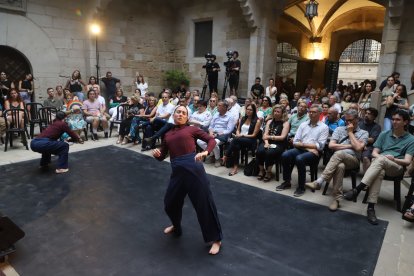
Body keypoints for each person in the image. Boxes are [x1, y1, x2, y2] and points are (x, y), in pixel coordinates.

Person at [152, 105, 222, 255]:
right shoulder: (168, 135)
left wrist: (205, 152)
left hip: (194, 170)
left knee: (204, 204)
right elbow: (162, 156)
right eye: (178, 112)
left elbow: (212, 141)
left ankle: (216, 239)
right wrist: (157, 154)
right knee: (170, 203)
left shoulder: (191, 129)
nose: (181, 114)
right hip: (177, 172)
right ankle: (177, 227)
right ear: (174, 114)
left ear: (187, 117)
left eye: (184, 113)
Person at [344, 109, 414, 224]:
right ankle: (371, 208)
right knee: (379, 170)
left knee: (380, 159)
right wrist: (383, 158)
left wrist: (393, 159)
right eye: (393, 119)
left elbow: (407, 161)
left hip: (397, 166)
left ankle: (358, 189)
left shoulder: (411, 139)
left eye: (398, 120)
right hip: (381, 163)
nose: (394, 122)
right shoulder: (384, 134)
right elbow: (374, 153)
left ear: (405, 122)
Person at [305, 109, 368, 211]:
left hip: (353, 160)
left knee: (339, 153)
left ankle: (320, 181)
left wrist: (350, 133)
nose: (348, 123)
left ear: (357, 119)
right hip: (338, 160)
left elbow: (358, 149)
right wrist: (350, 145)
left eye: (351, 120)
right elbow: (331, 145)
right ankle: (337, 199)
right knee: (340, 166)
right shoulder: (339, 129)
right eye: (346, 120)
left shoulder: (364, 133)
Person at [277, 104, 329, 197]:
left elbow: (320, 146)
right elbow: (295, 142)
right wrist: (309, 147)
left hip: (314, 154)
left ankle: (301, 187)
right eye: (310, 112)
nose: (311, 114)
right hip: (305, 150)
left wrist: (303, 144)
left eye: (314, 112)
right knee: (285, 155)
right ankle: (287, 181)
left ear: (320, 114)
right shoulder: (303, 124)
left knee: (299, 159)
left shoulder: (324, 127)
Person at [222, 103, 261, 176]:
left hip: (251, 140)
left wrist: (242, 135)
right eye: (247, 109)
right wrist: (237, 133)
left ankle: (226, 155)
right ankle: (235, 167)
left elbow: (254, 135)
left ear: (254, 111)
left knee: (235, 140)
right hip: (240, 139)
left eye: (251, 110)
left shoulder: (257, 121)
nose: (248, 111)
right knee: (236, 146)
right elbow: (238, 129)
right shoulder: (243, 118)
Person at [197, 100, 236, 167]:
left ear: (225, 107)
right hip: (213, 133)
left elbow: (229, 130)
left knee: (213, 143)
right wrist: (211, 132)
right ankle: (211, 153)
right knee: (199, 141)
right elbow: (211, 126)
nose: (217, 107)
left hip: (223, 135)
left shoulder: (230, 116)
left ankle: (217, 159)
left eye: (219, 105)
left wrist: (217, 134)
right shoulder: (216, 114)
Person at [256, 104, 290, 181]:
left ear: (282, 113)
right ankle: (261, 170)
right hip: (268, 141)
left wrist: (269, 137)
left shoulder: (285, 123)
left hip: (279, 143)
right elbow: (265, 135)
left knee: (269, 152)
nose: (275, 113)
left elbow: (282, 137)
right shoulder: (269, 121)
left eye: (278, 112)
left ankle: (268, 172)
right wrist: (267, 143)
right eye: (274, 111)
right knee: (259, 151)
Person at [358, 107, 382, 172]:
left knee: (366, 158)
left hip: (368, 146)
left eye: (369, 114)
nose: (366, 115)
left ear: (374, 117)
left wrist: (362, 142)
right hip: (356, 144)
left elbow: (372, 139)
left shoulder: (376, 127)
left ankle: (366, 178)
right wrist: (361, 143)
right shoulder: (359, 123)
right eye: (366, 113)